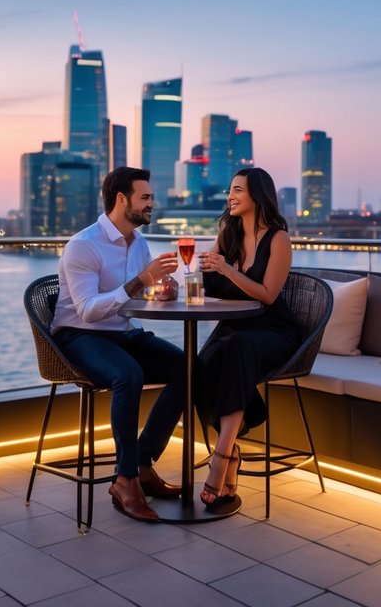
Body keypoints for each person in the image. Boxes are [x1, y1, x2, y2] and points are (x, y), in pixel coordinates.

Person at [52, 166, 186, 522]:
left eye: (151, 198)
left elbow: (143, 294)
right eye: (145, 198)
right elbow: (88, 311)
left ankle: (141, 462)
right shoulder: (83, 245)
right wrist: (140, 281)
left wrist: (163, 289)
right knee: (129, 374)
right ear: (121, 199)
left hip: (123, 333)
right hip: (79, 335)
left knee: (189, 368)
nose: (151, 205)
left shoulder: (138, 242)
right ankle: (124, 480)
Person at [194, 167, 302, 508]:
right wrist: (202, 272)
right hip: (236, 327)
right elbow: (207, 279)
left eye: (238, 189)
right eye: (230, 189)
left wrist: (227, 269)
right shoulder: (228, 233)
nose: (230, 196)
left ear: (257, 194)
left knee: (234, 349)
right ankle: (232, 451)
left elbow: (268, 295)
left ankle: (221, 456)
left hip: (274, 330)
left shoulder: (278, 239)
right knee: (200, 365)